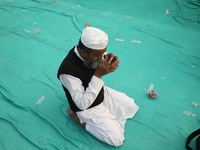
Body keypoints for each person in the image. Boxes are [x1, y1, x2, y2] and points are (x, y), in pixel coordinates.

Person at [57, 27, 139, 147]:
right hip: (85, 106)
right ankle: (77, 119)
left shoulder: (85, 50)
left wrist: (109, 59)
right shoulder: (67, 71)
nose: (101, 58)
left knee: (130, 105)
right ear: (83, 52)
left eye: (103, 53)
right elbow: (82, 104)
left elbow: (99, 55)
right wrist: (98, 75)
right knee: (115, 140)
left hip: (99, 93)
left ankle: (103, 117)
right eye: (98, 55)